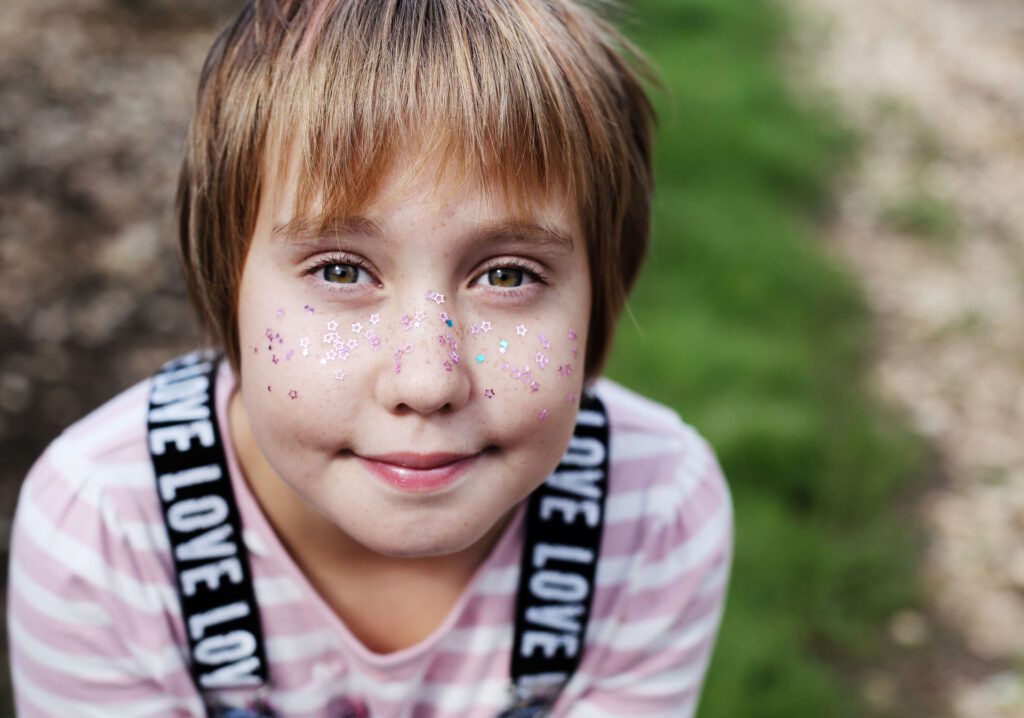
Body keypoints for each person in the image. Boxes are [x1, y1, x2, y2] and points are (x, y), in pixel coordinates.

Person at [6, 1, 734, 716]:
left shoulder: (655, 514)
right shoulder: (101, 536)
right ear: (226, 279)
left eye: (508, 275)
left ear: (602, 295)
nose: (427, 380)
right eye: (342, 271)